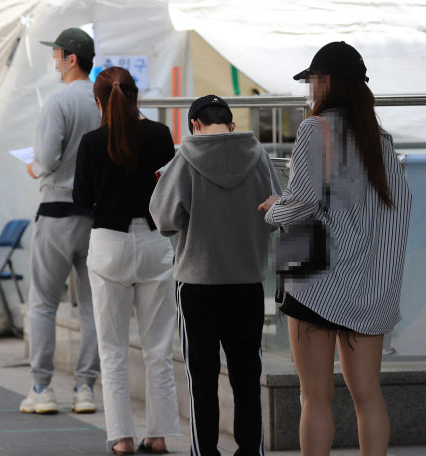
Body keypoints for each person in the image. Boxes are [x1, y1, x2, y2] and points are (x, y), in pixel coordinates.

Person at [259, 42, 412, 456]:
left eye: (313, 81)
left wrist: (275, 210)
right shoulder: (380, 139)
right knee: (368, 397)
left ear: (327, 82)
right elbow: (398, 210)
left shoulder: (315, 130)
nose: (310, 90)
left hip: (314, 281)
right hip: (369, 287)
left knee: (315, 397)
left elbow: (304, 201)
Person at [150, 95, 279, 456]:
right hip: (247, 283)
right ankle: (250, 450)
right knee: (246, 375)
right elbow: (276, 213)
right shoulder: (258, 157)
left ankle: (205, 451)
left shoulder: (185, 160)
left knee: (202, 380)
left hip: (198, 285)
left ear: (195, 124)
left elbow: (163, 219)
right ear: (231, 125)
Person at [74, 66, 180, 455]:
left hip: (109, 244)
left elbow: (82, 201)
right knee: (158, 349)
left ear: (98, 100)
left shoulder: (90, 142)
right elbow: (170, 192)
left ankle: (121, 437)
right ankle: (159, 434)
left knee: (113, 349)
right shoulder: (160, 135)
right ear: (136, 96)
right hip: (155, 242)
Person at [20, 28, 101, 415]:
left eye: (56, 55)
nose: (54, 61)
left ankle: (42, 388)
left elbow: (48, 159)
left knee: (43, 304)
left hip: (56, 211)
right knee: (93, 307)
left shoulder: (58, 102)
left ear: (72, 59)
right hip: (96, 217)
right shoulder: (105, 102)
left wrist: (35, 167)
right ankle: (85, 389)